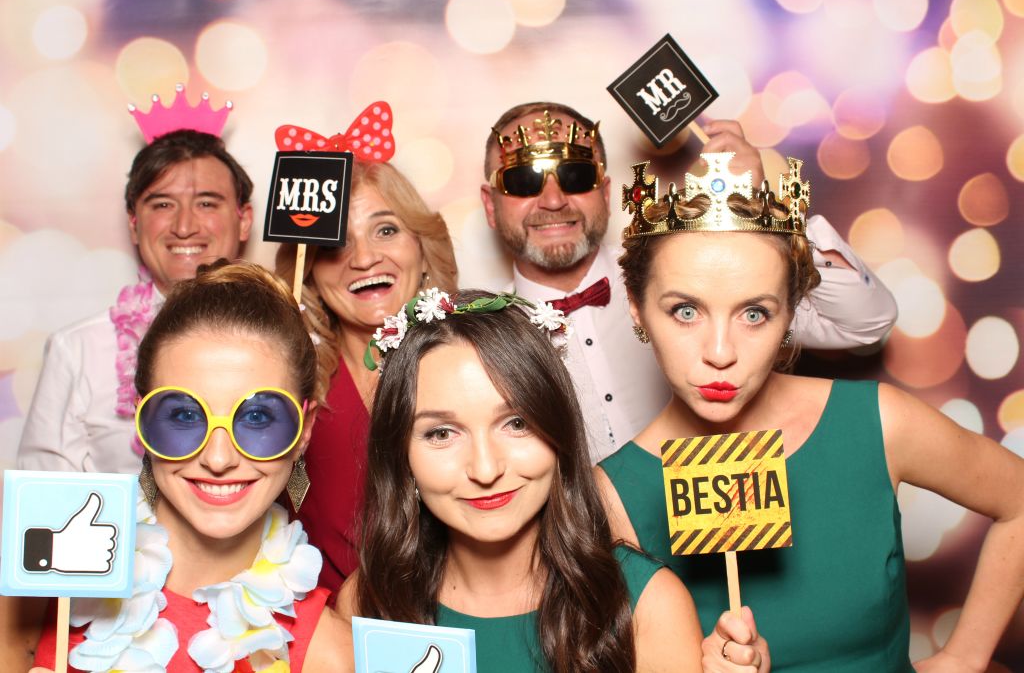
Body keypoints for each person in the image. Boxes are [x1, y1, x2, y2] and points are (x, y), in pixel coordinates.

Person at [595, 155, 1024, 671]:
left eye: (754, 313)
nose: (720, 352)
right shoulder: (611, 497)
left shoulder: (876, 423)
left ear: (792, 312)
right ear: (637, 307)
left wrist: (964, 657)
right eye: (685, 311)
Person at [335, 288, 740, 673]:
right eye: (441, 433)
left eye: (516, 423)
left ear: (559, 431)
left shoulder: (647, 604)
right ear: (400, 454)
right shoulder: (368, 604)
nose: (486, 470)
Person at [480, 102, 898, 463]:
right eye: (523, 181)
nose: (553, 201)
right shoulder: (481, 340)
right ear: (490, 205)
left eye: (575, 176)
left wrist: (762, 214)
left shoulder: (693, 276)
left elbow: (865, 322)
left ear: (605, 193)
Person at [26, 261, 341, 672]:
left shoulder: (331, 654)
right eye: (185, 416)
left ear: (304, 430)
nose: (218, 459)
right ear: (142, 420)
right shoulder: (40, 585)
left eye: (258, 417)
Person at [18, 126, 254, 475]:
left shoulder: (289, 339)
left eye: (206, 203)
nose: (184, 226)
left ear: (244, 220)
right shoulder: (77, 350)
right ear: (134, 224)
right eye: (162, 204)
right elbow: (44, 494)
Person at [275, 160, 457, 592]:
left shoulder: (476, 368)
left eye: (386, 230)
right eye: (336, 243)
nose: (364, 258)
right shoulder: (287, 391)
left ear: (423, 249)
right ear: (310, 273)